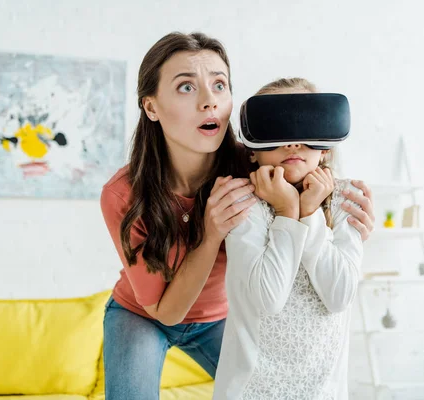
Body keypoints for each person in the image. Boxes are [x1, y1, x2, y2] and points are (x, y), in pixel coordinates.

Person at [100, 32, 375, 399]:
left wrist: (349, 217)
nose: (208, 101)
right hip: (143, 316)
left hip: (220, 317)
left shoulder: (256, 165)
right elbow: (166, 312)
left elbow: (309, 169)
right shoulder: (123, 194)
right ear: (151, 107)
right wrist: (211, 235)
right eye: (186, 87)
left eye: (219, 85)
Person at [213, 78, 363, 400]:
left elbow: (339, 295)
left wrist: (310, 214)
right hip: (252, 392)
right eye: (279, 128)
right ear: (253, 152)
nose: (293, 143)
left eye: (306, 130)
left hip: (323, 392)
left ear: (325, 148)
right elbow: (268, 299)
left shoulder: (346, 199)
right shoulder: (243, 203)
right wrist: (287, 211)